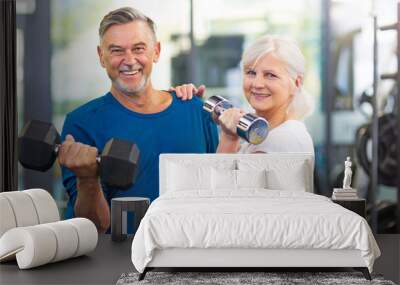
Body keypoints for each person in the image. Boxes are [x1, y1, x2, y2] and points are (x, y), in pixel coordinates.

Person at [58, 7, 218, 233]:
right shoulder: (81, 123)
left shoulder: (195, 110)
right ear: (101, 56)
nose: (129, 60)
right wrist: (88, 178)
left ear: (156, 51)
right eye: (116, 50)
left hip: (191, 252)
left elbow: (220, 195)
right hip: (116, 259)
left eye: (138, 48)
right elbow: (95, 227)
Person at [174, 35, 314, 154]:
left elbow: (221, 186)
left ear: (296, 83)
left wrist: (229, 138)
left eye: (270, 75)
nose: (257, 84)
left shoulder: (283, 139)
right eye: (251, 73)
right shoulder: (263, 135)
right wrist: (196, 111)